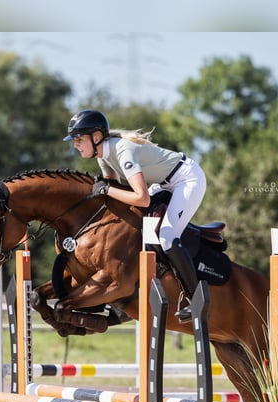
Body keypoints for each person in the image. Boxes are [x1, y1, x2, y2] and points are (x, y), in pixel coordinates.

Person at [64, 109, 207, 321]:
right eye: (74, 139)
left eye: (79, 138)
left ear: (96, 138)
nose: (75, 144)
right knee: (135, 228)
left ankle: (198, 301)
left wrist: (106, 190)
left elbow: (141, 198)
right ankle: (129, 297)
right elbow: (114, 192)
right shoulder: (102, 156)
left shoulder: (122, 150)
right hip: (164, 184)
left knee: (167, 237)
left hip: (187, 179)